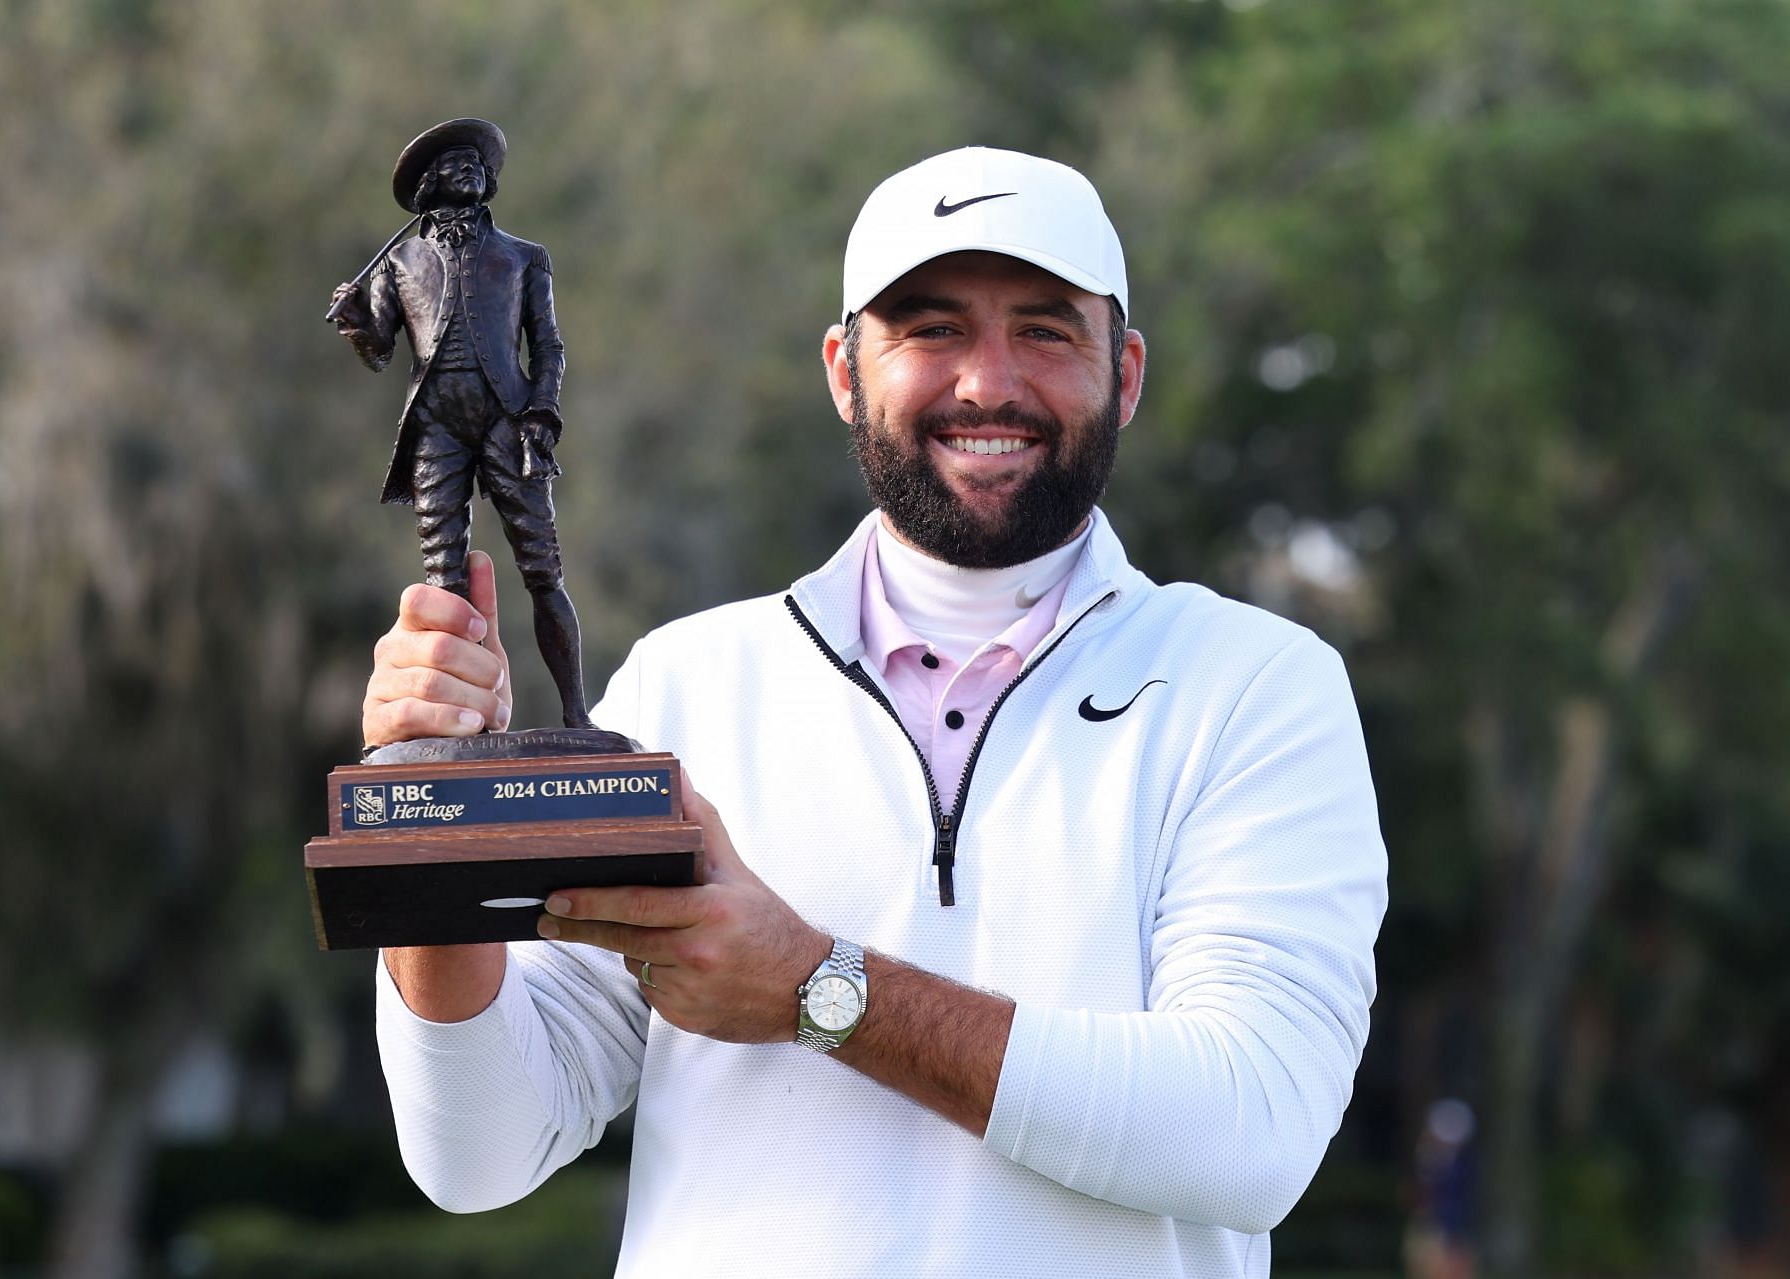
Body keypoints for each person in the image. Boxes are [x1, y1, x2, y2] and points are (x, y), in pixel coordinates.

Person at [363, 147, 1389, 1277]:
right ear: (845, 371)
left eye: (1045, 330)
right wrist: (431, 823)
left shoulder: (1250, 685)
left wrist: (817, 989)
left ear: (1128, 372)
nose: (988, 382)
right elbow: (478, 1154)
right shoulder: (686, 685)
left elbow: (1247, 1131)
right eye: (932, 329)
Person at [332, 118, 590, 729]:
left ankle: (576, 714)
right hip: (436, 427)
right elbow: (381, 353)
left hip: (509, 420)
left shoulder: (525, 257)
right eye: (453, 163)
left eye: (476, 162)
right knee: (446, 583)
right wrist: (355, 320)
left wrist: (542, 413)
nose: (469, 168)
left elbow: (549, 348)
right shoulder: (400, 259)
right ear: (429, 184)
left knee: (543, 569)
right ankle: (463, 728)